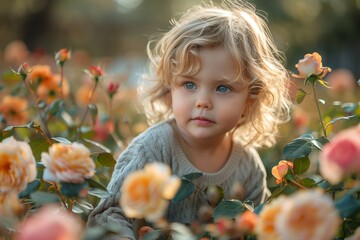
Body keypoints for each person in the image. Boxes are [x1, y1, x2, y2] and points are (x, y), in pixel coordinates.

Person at [87, 0, 291, 239]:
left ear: (250, 99)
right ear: (169, 87)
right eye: (189, 84)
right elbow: (108, 215)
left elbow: (257, 228)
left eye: (223, 88)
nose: (202, 101)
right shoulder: (154, 149)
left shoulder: (248, 166)